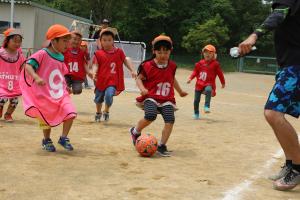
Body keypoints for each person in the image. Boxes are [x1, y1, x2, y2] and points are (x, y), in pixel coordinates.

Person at [238, 0, 300, 191]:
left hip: (295, 65)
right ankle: (291, 164)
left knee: (272, 113)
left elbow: (279, 14)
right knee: (274, 116)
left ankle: (297, 168)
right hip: (289, 65)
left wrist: (254, 35)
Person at [19, 24, 77, 152]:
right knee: (45, 118)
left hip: (59, 93)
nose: (67, 44)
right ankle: (46, 140)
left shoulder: (61, 57)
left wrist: (66, 87)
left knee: (71, 112)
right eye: (64, 41)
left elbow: (60, 75)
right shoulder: (42, 54)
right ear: (53, 40)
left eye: (68, 41)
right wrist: (36, 77)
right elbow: (28, 66)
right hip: (43, 94)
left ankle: (63, 138)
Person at [129, 35, 188, 157]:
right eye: (159, 52)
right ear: (154, 51)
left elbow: (172, 79)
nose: (162, 55)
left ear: (170, 51)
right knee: (150, 115)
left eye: (165, 52)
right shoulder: (148, 66)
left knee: (170, 119)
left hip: (167, 99)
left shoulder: (172, 66)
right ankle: (135, 131)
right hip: (151, 96)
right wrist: (142, 89)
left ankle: (162, 145)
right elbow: (139, 79)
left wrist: (180, 91)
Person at [92, 27, 136, 122]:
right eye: (104, 40)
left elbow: (125, 61)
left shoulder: (119, 52)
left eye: (109, 40)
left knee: (109, 95)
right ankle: (98, 112)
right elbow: (95, 65)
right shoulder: (98, 54)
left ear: (113, 41)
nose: (107, 42)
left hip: (112, 80)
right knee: (98, 99)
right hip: (101, 81)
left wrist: (132, 70)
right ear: (100, 41)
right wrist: (94, 72)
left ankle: (106, 110)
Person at [187, 44, 225, 119]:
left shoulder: (215, 64)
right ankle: (196, 113)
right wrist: (190, 78)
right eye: (206, 52)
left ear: (213, 54)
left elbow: (220, 74)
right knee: (196, 100)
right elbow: (195, 72)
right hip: (199, 84)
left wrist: (223, 82)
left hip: (208, 83)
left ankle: (206, 106)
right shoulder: (199, 64)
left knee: (208, 89)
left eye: (210, 53)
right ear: (203, 54)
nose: (207, 54)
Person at [0, 28, 25, 122]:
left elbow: (24, 67)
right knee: (2, 99)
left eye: (19, 42)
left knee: (15, 101)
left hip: (14, 82)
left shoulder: (20, 55)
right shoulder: (1, 53)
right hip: (2, 81)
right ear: (7, 41)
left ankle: (8, 114)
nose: (17, 44)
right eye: (15, 41)